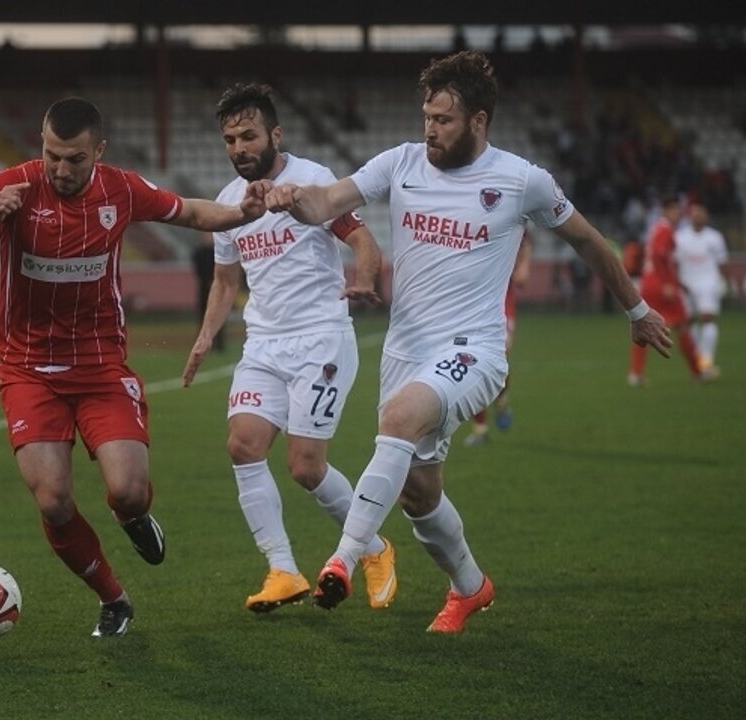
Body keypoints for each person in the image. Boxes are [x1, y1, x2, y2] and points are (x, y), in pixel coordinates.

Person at [261, 50, 671, 633]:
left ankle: (344, 560)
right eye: (427, 117)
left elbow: (588, 240)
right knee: (419, 494)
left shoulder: (522, 180)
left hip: (473, 349)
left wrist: (637, 309)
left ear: (478, 120)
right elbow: (326, 201)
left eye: (444, 119)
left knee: (400, 419)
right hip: (404, 351)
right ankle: (471, 587)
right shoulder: (401, 162)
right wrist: (290, 198)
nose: (430, 129)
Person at [0, 97, 266, 638]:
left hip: (102, 366)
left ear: (99, 152)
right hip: (29, 370)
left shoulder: (120, 190)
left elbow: (189, 212)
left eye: (75, 159)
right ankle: (114, 599)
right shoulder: (17, 185)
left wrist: (241, 214)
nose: (60, 169)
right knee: (53, 499)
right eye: (51, 156)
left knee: (128, 490)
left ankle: (132, 516)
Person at [182, 82, 397, 613]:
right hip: (263, 344)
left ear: (275, 135)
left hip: (320, 339)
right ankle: (282, 570)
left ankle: (373, 548)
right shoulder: (229, 202)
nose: (239, 148)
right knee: (243, 446)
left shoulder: (313, 180)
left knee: (305, 467)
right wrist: (206, 337)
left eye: (248, 136)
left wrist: (364, 279)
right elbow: (225, 281)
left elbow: (363, 241)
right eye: (230, 139)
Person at [464, 227, 533, 447]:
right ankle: (480, 429)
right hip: (470, 301)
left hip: (502, 300)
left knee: (498, 356)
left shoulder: (501, 212)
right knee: (471, 361)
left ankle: (501, 400)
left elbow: (525, 237)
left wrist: (524, 265)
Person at [628, 195, 704, 386]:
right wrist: (668, 283)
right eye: (673, 209)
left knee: (643, 325)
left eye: (678, 210)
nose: (677, 213)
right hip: (660, 285)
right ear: (666, 211)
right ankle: (697, 371)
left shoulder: (657, 229)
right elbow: (660, 256)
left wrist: (678, 282)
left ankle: (636, 374)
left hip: (649, 283)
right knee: (683, 325)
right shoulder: (666, 230)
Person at [675, 201, 731, 376]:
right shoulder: (680, 237)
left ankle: (707, 358)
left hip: (708, 282)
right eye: (695, 213)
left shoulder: (714, 237)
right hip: (686, 284)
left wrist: (725, 281)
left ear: (707, 216)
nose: (698, 216)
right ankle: (697, 357)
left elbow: (722, 262)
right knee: (689, 321)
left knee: (708, 318)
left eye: (701, 213)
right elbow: (675, 262)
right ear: (690, 216)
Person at [191, 234, 226, 352]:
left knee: (219, 314)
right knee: (203, 315)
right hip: (204, 289)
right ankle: (202, 342)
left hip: (217, 288)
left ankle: (219, 344)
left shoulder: (218, 252)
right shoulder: (199, 253)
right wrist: (207, 281)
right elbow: (197, 269)